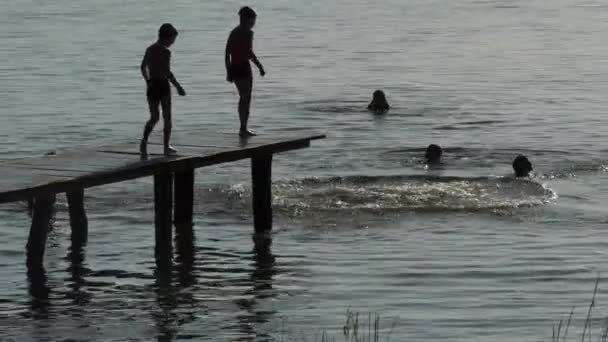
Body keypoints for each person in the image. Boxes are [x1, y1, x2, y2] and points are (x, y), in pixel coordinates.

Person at [139, 23, 186, 155]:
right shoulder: (165, 52)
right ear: (166, 37)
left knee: (154, 117)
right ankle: (166, 146)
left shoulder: (149, 49)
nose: (173, 42)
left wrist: (148, 81)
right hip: (162, 86)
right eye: (172, 39)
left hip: (152, 85)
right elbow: (167, 72)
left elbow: (142, 67)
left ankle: (144, 142)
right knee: (167, 117)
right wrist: (178, 86)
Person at [225, 6, 266, 137]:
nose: (254, 23)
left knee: (243, 97)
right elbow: (249, 52)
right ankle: (243, 128)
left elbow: (227, 53)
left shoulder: (234, 32)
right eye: (253, 20)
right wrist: (259, 66)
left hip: (235, 67)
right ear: (248, 19)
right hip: (243, 67)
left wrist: (228, 70)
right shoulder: (247, 32)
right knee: (245, 98)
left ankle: (243, 128)